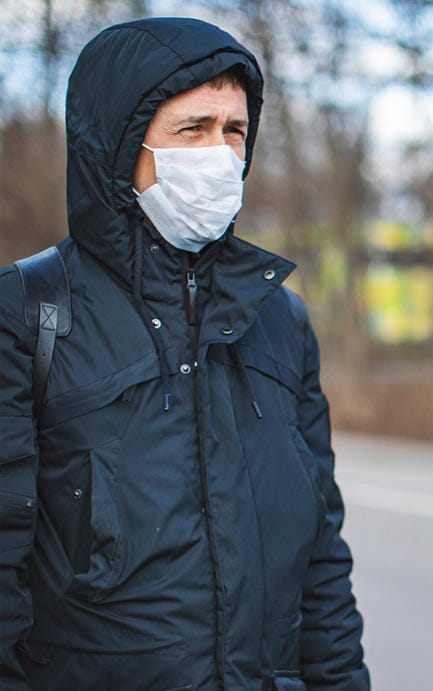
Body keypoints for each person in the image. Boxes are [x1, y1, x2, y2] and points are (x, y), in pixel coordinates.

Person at [0, 18, 369, 689]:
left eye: (234, 131)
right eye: (192, 129)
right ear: (116, 149)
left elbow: (321, 566)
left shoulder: (278, 317)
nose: (220, 155)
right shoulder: (27, 313)